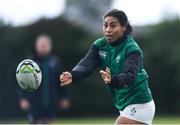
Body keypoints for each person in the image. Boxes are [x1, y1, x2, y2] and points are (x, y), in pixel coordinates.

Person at [59, 9, 155, 125]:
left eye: (113, 26)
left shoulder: (132, 49)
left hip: (140, 103)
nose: (108, 30)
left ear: (123, 27)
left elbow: (129, 75)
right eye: (105, 25)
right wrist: (73, 75)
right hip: (124, 105)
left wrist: (113, 80)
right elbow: (87, 64)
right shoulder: (100, 45)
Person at [18, 34, 70, 124]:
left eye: (45, 45)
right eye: (41, 45)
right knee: (33, 122)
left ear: (50, 47)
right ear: (36, 46)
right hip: (34, 102)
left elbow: (62, 81)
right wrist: (23, 98)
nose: (43, 47)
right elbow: (23, 81)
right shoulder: (30, 63)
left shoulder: (55, 63)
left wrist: (64, 97)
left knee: (47, 122)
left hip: (50, 101)